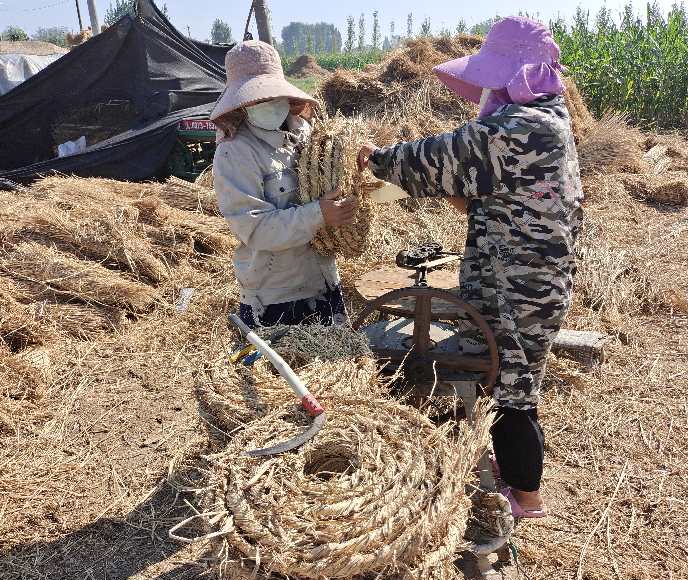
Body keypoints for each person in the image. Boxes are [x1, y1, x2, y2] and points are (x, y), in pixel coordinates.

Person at [358, 17, 583, 518]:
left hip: (520, 287)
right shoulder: (550, 118)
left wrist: (376, 159)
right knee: (510, 380)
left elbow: (438, 156)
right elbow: (484, 192)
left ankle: (526, 497)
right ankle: (513, 472)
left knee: (514, 392)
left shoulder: (522, 128)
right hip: (526, 276)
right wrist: (460, 190)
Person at [210, 41, 358, 330]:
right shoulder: (235, 152)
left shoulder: (306, 133)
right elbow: (256, 228)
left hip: (323, 280)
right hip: (276, 296)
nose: (267, 102)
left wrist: (355, 165)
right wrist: (319, 214)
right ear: (242, 103)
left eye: (271, 94)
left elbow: (331, 179)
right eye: (257, 98)